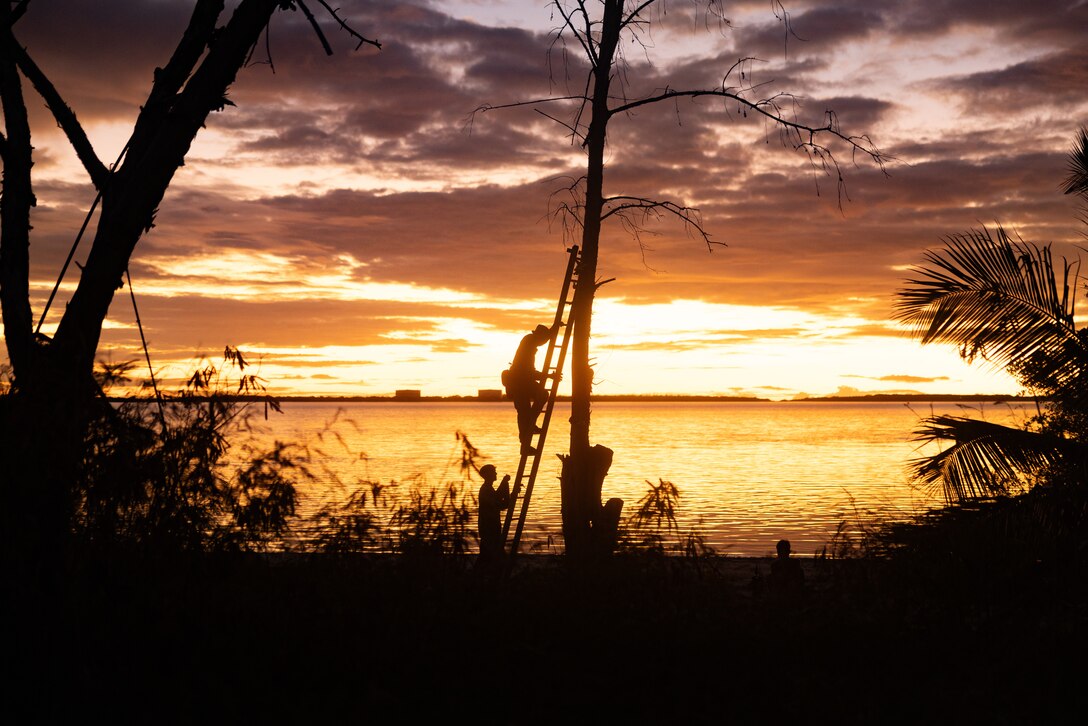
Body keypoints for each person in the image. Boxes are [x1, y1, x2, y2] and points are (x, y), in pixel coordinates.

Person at [502, 322, 558, 455]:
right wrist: (548, 375)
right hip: (519, 383)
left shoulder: (531, 342)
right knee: (525, 411)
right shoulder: (529, 343)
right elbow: (528, 371)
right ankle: (527, 435)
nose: (542, 344)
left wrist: (555, 327)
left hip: (524, 382)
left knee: (525, 411)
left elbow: (544, 338)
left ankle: (529, 427)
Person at [477, 464, 511, 563]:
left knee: (487, 554)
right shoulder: (485, 490)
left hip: (491, 526)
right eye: (493, 472)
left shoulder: (488, 488)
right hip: (488, 527)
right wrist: (508, 496)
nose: (496, 473)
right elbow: (498, 504)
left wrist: (504, 483)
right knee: (491, 552)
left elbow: (497, 497)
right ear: (488, 474)